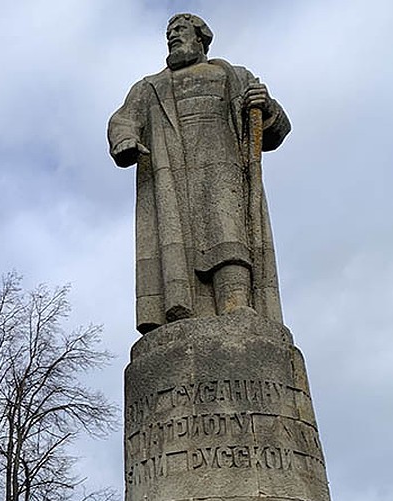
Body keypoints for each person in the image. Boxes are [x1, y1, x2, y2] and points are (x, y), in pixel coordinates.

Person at [108, 13, 291, 333]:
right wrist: (124, 139)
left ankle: (236, 305)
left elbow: (276, 130)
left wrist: (268, 106)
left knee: (228, 231)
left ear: (201, 37)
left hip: (223, 169)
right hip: (170, 174)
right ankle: (179, 312)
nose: (172, 36)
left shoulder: (233, 75)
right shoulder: (149, 87)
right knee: (174, 244)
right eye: (169, 32)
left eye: (180, 29)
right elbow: (123, 120)